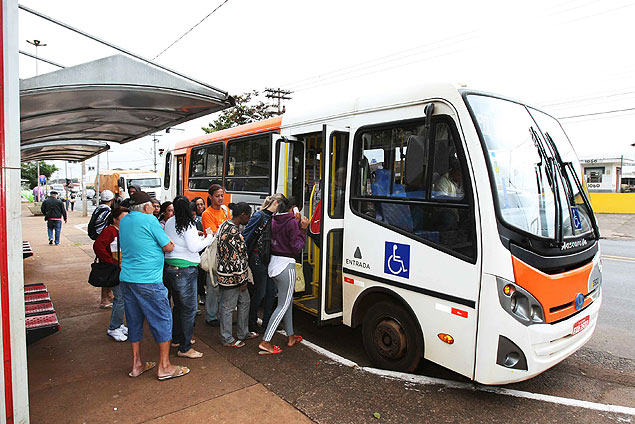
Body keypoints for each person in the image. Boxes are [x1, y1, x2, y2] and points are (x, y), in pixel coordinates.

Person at [119, 191, 189, 380]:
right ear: (146, 207)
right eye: (152, 204)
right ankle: (165, 366)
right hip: (149, 280)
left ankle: (137, 364)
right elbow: (168, 246)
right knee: (163, 319)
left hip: (127, 278)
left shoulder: (124, 220)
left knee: (134, 321)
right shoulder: (149, 221)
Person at [163, 196, 214, 359]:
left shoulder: (170, 222)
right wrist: (208, 238)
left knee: (178, 306)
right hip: (185, 270)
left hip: (171, 268)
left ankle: (177, 339)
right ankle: (184, 348)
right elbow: (194, 247)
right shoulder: (188, 224)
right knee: (189, 309)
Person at [258, 195, 308, 355]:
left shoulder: (274, 219)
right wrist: (303, 228)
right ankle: (266, 341)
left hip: (273, 264)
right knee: (283, 305)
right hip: (287, 266)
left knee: (286, 302)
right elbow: (297, 247)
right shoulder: (292, 223)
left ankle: (291, 336)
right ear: (293, 207)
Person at [217, 202, 256, 347]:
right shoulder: (234, 234)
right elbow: (236, 260)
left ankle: (243, 332)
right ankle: (227, 338)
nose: (249, 219)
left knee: (244, 302)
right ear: (243, 215)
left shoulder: (225, 225)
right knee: (228, 307)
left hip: (227, 275)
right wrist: (242, 280)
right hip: (233, 278)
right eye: (249, 216)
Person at [242, 194, 281, 334]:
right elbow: (246, 235)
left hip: (270, 258)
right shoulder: (260, 216)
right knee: (260, 291)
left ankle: (267, 321)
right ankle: (251, 321)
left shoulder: (275, 217)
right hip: (258, 258)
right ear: (275, 203)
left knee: (272, 291)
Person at [93, 207, 130, 342]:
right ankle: (114, 327)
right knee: (120, 298)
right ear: (115, 219)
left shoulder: (121, 231)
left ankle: (118, 324)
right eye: (123, 218)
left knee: (121, 298)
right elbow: (98, 246)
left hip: (120, 268)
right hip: (114, 269)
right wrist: (110, 261)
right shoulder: (110, 231)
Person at [201, 184, 231, 327]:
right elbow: (213, 234)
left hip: (226, 252)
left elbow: (231, 228)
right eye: (217, 196)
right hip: (214, 252)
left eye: (221, 195)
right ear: (211, 197)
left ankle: (220, 314)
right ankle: (211, 316)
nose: (220, 198)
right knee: (213, 285)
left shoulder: (225, 210)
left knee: (224, 285)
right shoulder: (207, 213)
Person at [90, 189, 116, 308]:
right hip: (105, 244)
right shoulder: (108, 211)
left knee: (107, 272)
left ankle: (108, 296)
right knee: (108, 272)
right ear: (112, 200)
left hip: (101, 241)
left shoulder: (98, 209)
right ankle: (104, 299)